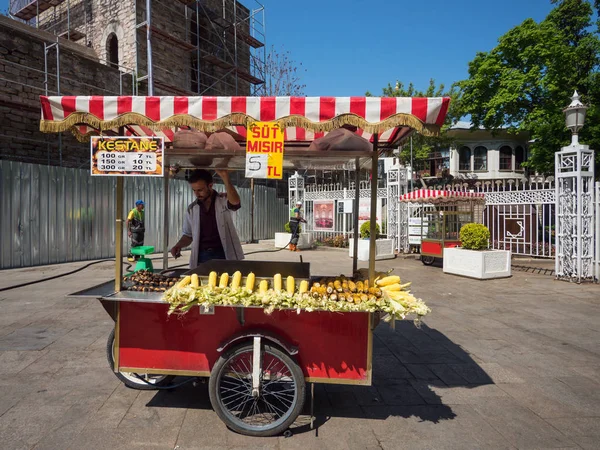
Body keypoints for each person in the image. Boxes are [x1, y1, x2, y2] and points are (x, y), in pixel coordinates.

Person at [170, 169, 244, 268]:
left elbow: (235, 202)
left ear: (210, 186)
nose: (196, 194)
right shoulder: (192, 208)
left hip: (224, 254)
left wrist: (225, 177)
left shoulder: (223, 200)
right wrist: (178, 245)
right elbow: (188, 235)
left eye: (200, 190)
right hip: (202, 256)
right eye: (194, 190)